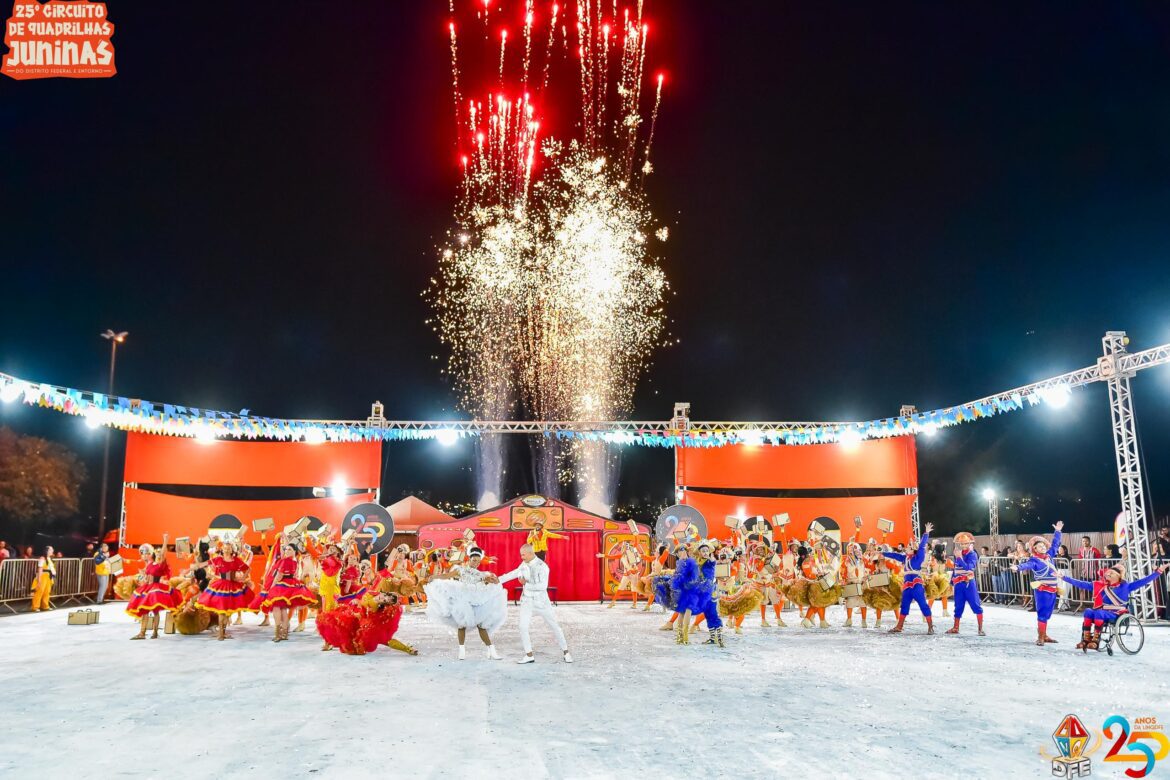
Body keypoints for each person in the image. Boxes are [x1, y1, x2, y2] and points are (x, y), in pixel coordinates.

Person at [1058, 562, 1168, 652]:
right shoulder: (1100, 585)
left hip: (1117, 613)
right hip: (1102, 611)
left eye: (1112, 573)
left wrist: (1158, 571)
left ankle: (1096, 641)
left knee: (1098, 613)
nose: (1108, 574)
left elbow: (1144, 581)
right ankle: (1086, 640)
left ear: (1119, 576)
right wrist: (1064, 578)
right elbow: (1081, 583)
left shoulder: (1127, 586)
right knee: (1088, 611)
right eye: (1108, 573)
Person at [424, 546, 507, 660]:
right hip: (462, 600)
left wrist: (495, 579)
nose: (476, 563)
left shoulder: (481, 574)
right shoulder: (460, 570)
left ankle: (491, 651)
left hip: (475, 601)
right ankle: (461, 651)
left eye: (478, 561)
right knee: (462, 625)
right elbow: (446, 576)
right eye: (474, 560)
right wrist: (434, 576)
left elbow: (494, 581)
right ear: (469, 559)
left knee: (482, 627)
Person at [498, 543, 573, 664]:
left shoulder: (542, 566)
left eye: (523, 555)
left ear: (530, 553)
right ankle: (529, 655)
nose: (521, 557)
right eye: (521, 555)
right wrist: (498, 579)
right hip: (527, 601)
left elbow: (543, 586)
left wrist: (525, 584)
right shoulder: (524, 564)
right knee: (522, 627)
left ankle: (566, 652)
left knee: (554, 626)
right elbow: (514, 573)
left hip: (542, 602)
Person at [1011, 521, 1064, 646]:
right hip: (1042, 590)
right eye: (1040, 547)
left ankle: (1044, 634)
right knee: (1042, 612)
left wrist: (1058, 531)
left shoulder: (1049, 556)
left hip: (1052, 589)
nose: (1043, 548)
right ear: (1034, 549)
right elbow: (1027, 565)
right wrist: (1018, 567)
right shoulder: (1034, 559)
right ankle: (1040, 637)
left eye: (1044, 546)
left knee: (1048, 612)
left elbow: (1055, 544)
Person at [125, 537, 183, 639]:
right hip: (148, 588)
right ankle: (143, 632)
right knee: (145, 610)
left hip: (155, 589)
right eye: (157, 554)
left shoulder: (160, 565)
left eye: (160, 555)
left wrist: (165, 540)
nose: (159, 555)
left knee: (154, 611)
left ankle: (154, 632)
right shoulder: (150, 564)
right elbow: (146, 577)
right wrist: (142, 577)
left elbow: (164, 553)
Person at [262, 539, 318, 643]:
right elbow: (295, 574)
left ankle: (277, 634)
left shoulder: (284, 561)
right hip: (290, 586)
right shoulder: (294, 561)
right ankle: (284, 633)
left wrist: (271, 588)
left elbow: (279, 576)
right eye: (286, 549)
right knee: (283, 609)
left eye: (289, 549)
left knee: (276, 608)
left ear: (294, 552)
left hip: (281, 586)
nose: (287, 551)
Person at [882, 523, 934, 634]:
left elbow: (922, 545)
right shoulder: (904, 558)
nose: (906, 548)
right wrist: (882, 553)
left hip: (916, 584)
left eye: (909, 547)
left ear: (913, 549)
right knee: (904, 605)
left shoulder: (918, 557)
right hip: (907, 585)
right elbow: (893, 555)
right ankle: (899, 626)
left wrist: (927, 533)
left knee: (923, 604)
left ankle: (930, 626)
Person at [672, 540, 723, 647]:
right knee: (685, 611)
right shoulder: (695, 561)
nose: (705, 553)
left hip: (707, 592)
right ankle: (682, 636)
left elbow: (712, 562)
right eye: (703, 551)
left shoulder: (708, 561)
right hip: (696, 591)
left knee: (711, 614)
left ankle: (717, 638)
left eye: (707, 551)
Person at [945, 532, 985, 635]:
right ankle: (956, 627)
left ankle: (980, 629)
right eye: (961, 544)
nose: (963, 546)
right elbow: (956, 568)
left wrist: (959, 557)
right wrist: (951, 582)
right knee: (958, 606)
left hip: (968, 584)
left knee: (975, 605)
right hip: (958, 584)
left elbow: (969, 568)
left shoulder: (972, 554)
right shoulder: (959, 553)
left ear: (969, 543)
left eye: (965, 544)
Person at [597, 541, 643, 609]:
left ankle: (634, 604)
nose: (624, 548)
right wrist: (603, 555)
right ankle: (613, 602)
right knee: (620, 588)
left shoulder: (631, 553)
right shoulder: (622, 555)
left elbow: (634, 564)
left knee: (634, 588)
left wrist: (633, 568)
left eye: (625, 547)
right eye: (623, 547)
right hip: (626, 574)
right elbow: (611, 556)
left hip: (633, 574)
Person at [30, 546, 56, 611]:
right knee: (39, 591)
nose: (52, 551)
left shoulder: (49, 558)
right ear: (47, 551)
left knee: (47, 592)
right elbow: (40, 569)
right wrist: (39, 580)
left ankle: (45, 606)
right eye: (51, 549)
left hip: (48, 576)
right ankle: (35, 607)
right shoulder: (42, 558)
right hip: (43, 576)